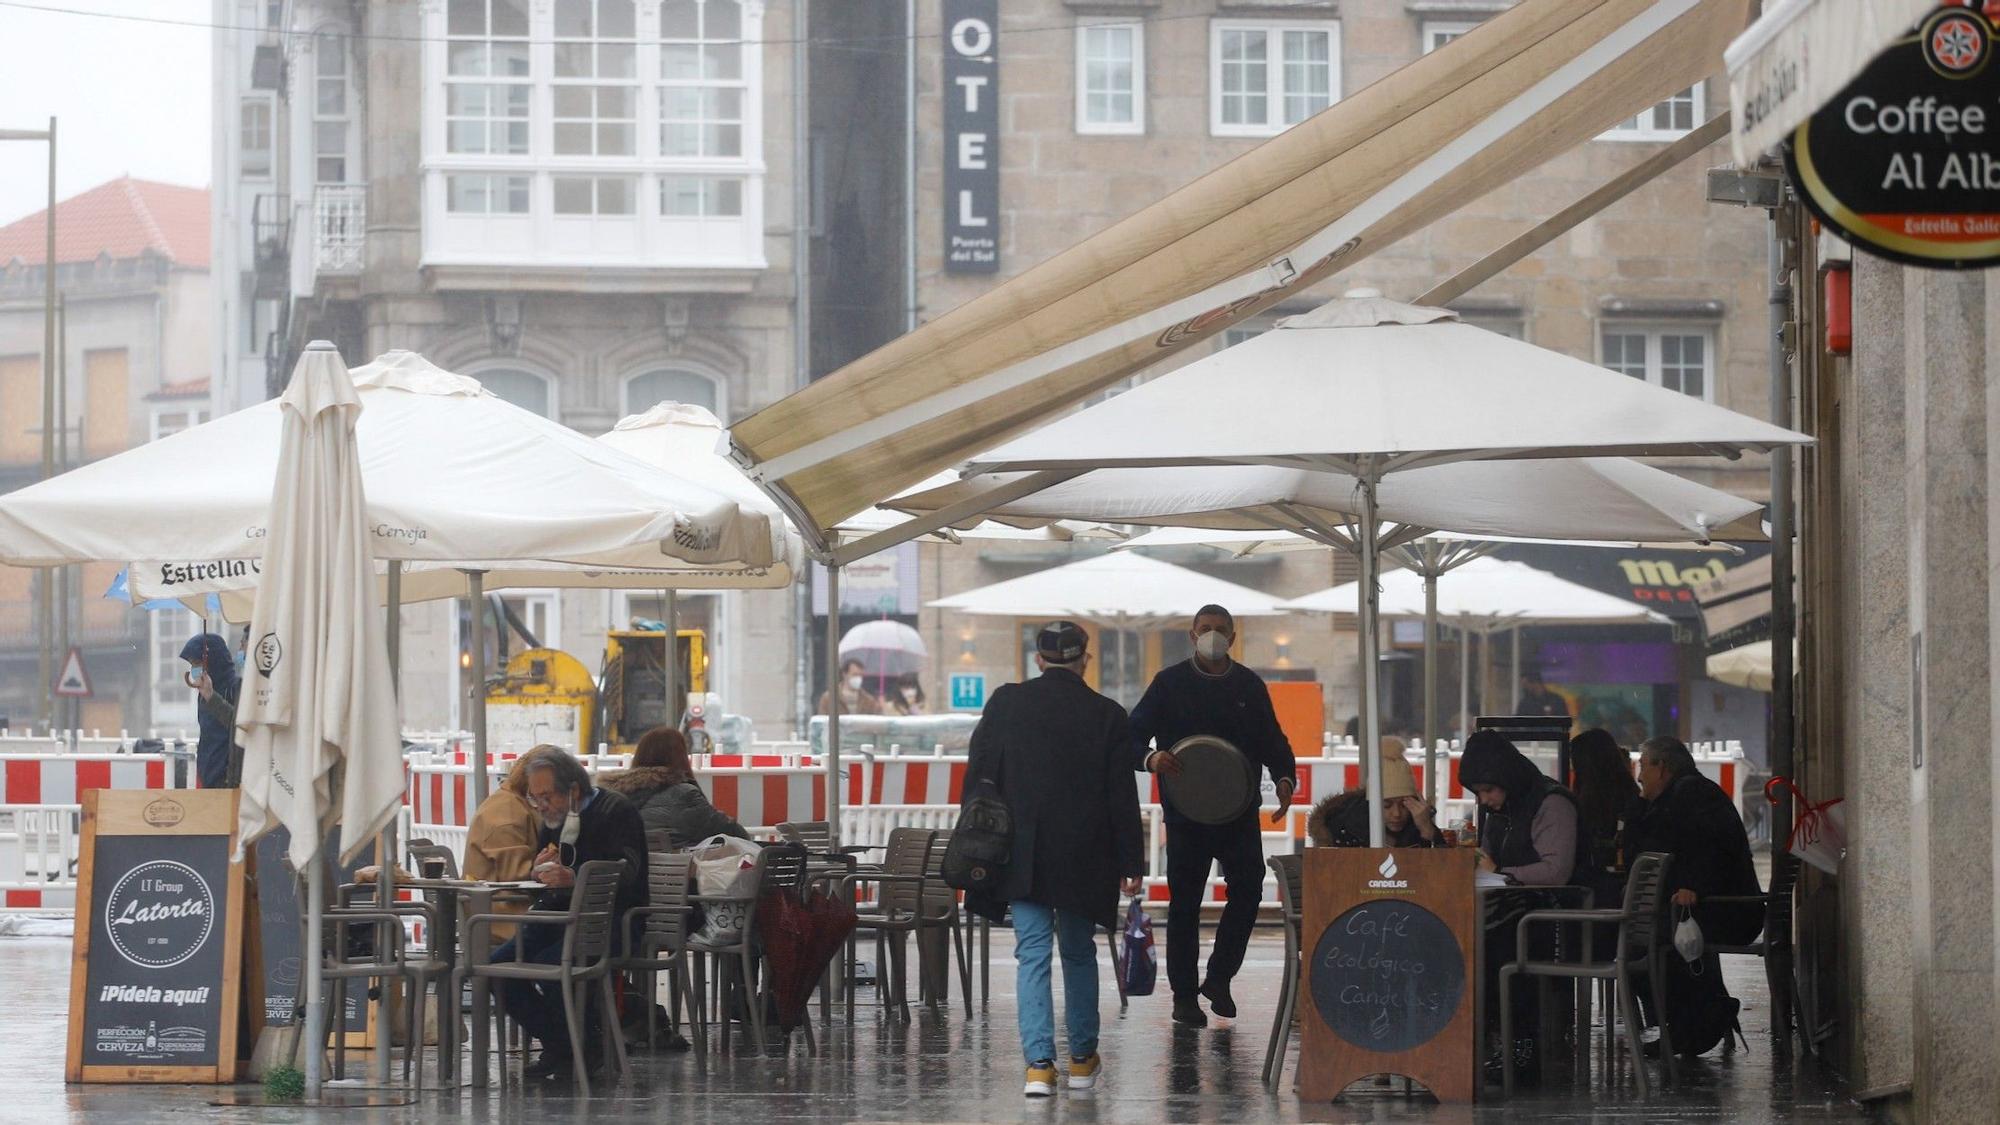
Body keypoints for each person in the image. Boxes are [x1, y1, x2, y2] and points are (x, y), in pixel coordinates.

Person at [964, 621, 1144, 1097]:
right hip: (1086, 855)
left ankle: (1039, 1066)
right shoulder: (1107, 714)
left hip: (1021, 852)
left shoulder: (1006, 703)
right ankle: (1083, 1059)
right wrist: (1131, 861)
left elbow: (980, 772)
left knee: (1032, 956)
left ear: (1038, 659)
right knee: (1079, 953)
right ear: (1085, 658)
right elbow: (1120, 795)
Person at [1130, 604, 1297, 1028]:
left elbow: (1273, 741)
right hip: (1186, 813)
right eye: (1205, 629)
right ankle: (1184, 996)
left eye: (1221, 630)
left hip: (1239, 811)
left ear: (1233, 637)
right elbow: (1130, 738)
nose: (1213, 636)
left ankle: (1219, 978)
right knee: (1184, 903)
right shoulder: (1169, 683)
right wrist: (1151, 759)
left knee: (1249, 891)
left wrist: (1284, 780)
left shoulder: (1249, 685)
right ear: (1191, 635)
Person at [491, 749, 648, 1082]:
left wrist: (575, 876)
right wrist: (539, 870)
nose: (542, 806)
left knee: (552, 965)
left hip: (606, 922)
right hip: (556, 916)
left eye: (547, 797)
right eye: (535, 799)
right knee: (498, 970)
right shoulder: (554, 820)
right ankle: (567, 1045)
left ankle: (575, 1048)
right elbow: (550, 863)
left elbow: (628, 872)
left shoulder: (616, 811)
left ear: (574, 790)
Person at [1628, 735, 1762, 1058]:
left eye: (1644, 766)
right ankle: (1698, 1017)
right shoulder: (1682, 794)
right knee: (1646, 938)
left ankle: (1697, 1023)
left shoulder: (1692, 794)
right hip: (1709, 907)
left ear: (1663, 768)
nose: (1640, 775)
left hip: (1727, 911)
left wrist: (1693, 887)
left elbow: (1710, 850)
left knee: (1642, 943)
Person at [1459, 729, 1586, 887]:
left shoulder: (1553, 804)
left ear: (1507, 779)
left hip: (1554, 906)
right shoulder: (1501, 809)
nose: (1483, 799)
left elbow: (1556, 873)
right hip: (1517, 902)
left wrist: (1499, 872)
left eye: (1489, 789)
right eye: (1478, 792)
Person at [464, 745, 563, 941]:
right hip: (502, 918)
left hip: (497, 911)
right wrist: (539, 868)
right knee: (585, 931)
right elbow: (515, 877)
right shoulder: (507, 813)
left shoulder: (511, 803)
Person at [597, 726, 748, 849]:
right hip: (675, 881)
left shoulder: (612, 797)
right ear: (680, 757)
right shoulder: (683, 796)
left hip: (628, 880)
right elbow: (734, 833)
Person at [1307, 737, 1443, 848]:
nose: (1396, 814)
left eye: (1404, 805)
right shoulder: (1346, 830)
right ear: (1370, 804)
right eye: (1386, 806)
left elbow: (1439, 870)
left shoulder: (1417, 824)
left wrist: (1427, 830)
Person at [180, 633, 243, 789]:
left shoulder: (236, 688)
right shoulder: (203, 694)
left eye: (197, 663)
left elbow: (238, 725)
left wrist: (212, 697)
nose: (195, 670)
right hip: (209, 777)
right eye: (192, 664)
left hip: (229, 779)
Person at [817, 657, 883, 716]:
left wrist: (881, 708)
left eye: (861, 675)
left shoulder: (869, 701)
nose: (858, 678)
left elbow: (878, 721)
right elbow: (822, 722)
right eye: (855, 674)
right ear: (844, 674)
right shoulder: (829, 698)